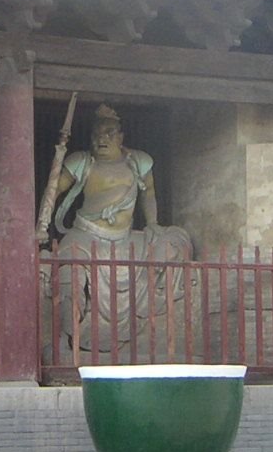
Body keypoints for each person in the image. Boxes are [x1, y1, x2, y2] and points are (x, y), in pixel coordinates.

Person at [48, 104, 191, 351]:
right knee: (71, 274)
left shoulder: (139, 162)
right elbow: (54, 191)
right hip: (85, 234)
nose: (101, 139)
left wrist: (152, 223)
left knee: (174, 242)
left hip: (125, 238)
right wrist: (42, 216)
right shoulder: (82, 161)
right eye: (96, 134)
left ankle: (147, 335)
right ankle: (66, 335)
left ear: (121, 136)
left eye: (109, 133)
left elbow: (149, 194)